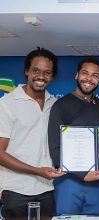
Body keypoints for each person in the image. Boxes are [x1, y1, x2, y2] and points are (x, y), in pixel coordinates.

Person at [0, 48, 64, 218]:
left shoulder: (55, 104)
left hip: (46, 189)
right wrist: (37, 171)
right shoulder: (7, 104)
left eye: (47, 72)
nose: (41, 76)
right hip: (16, 190)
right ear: (27, 71)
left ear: (52, 76)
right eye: (36, 70)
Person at [48, 58, 99, 215]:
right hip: (69, 181)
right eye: (85, 73)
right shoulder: (61, 105)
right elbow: (55, 149)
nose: (89, 79)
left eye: (94, 75)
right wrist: (83, 175)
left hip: (96, 181)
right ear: (76, 75)